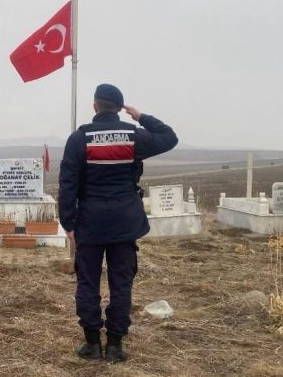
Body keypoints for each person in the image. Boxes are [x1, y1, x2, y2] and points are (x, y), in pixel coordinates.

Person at [58, 84, 178, 362]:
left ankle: (91, 344)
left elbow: (67, 184)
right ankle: (114, 346)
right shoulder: (134, 136)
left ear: (95, 106)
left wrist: (69, 224)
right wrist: (140, 117)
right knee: (121, 283)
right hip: (125, 223)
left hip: (89, 222)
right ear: (120, 108)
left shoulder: (79, 139)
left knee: (88, 282)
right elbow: (169, 137)